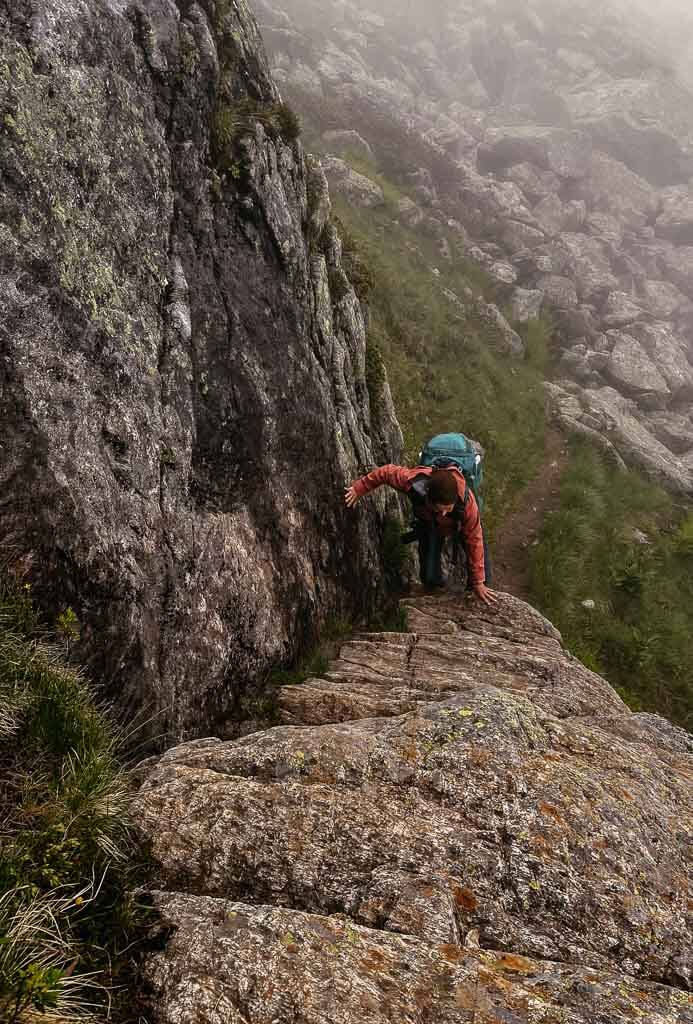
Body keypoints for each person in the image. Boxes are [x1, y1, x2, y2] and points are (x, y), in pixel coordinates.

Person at [345, 463, 497, 606]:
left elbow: (475, 539)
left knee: (483, 580)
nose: (444, 513)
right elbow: (387, 472)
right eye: (440, 508)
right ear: (428, 498)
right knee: (430, 577)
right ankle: (437, 592)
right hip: (430, 524)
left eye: (448, 509)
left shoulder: (467, 504)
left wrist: (478, 581)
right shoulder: (414, 482)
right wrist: (359, 488)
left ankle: (475, 589)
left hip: (460, 526)